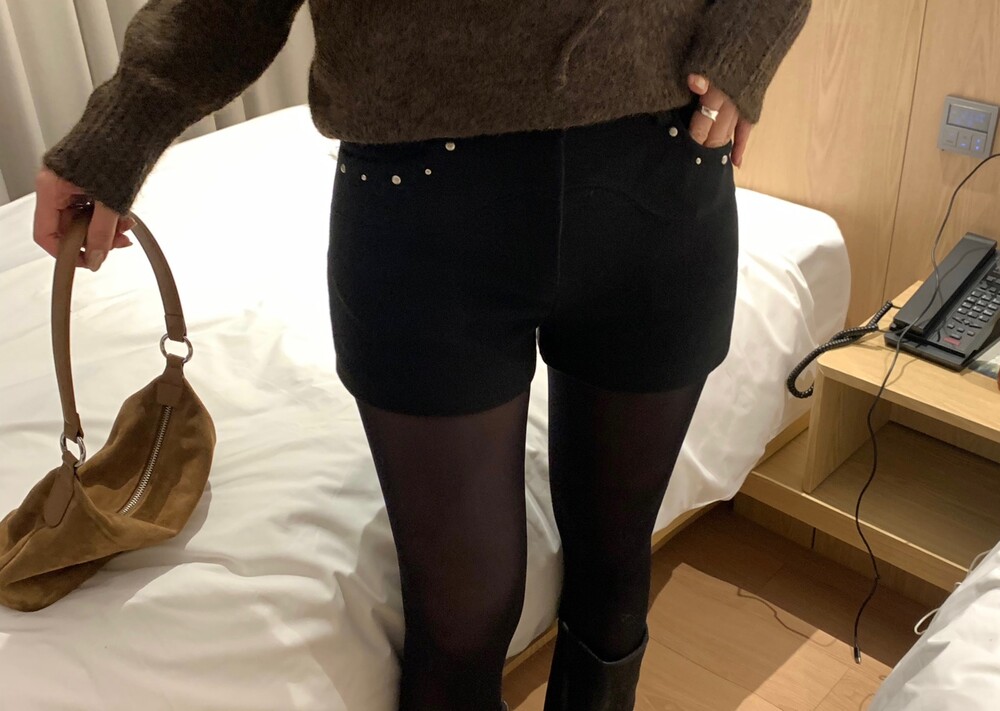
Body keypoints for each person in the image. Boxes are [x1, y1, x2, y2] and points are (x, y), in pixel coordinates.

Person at [32, 2, 812, 709]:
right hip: (422, 204)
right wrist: (119, 131)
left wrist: (749, 38)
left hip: (662, 177)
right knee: (464, 614)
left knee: (614, 575)